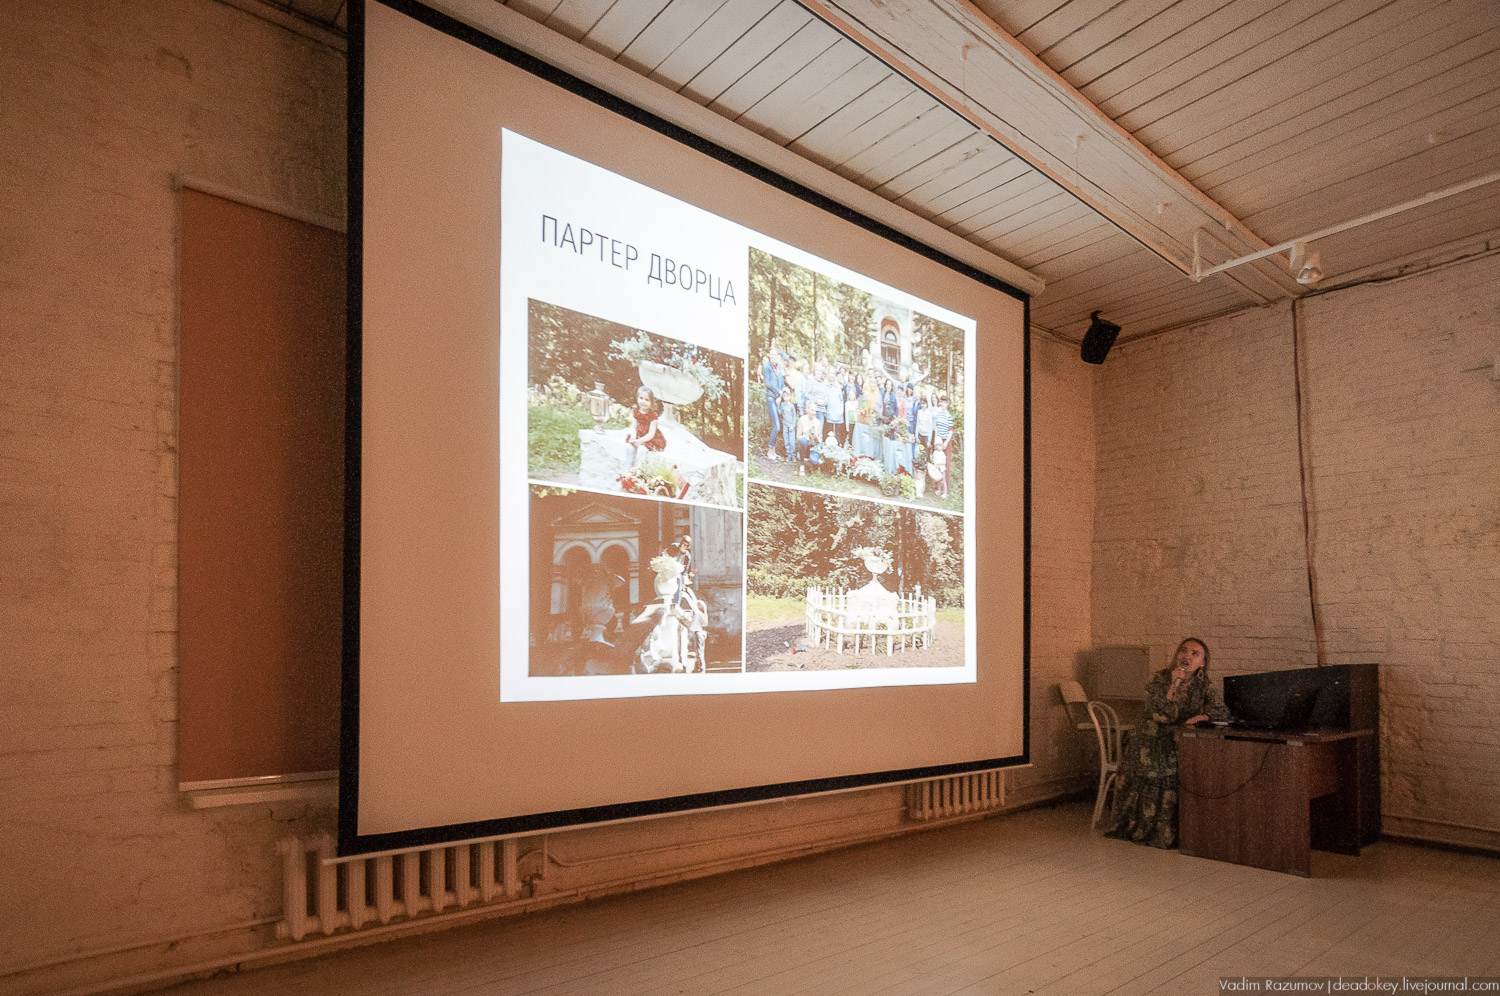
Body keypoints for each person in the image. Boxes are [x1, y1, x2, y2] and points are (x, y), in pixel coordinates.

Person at [1106, 637, 1230, 849]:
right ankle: (1150, 832)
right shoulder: (1160, 679)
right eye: (1183, 651)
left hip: (1176, 741)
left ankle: (1186, 832)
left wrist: (1200, 717)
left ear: (1202, 663)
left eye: (1194, 653)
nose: (1187, 656)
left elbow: (1222, 711)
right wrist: (1174, 684)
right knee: (1167, 769)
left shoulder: (1203, 685)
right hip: (1149, 741)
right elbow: (1162, 714)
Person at [624, 386, 665, 466]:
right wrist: (633, 436)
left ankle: (638, 473)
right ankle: (627, 471)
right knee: (629, 448)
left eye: (647, 400)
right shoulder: (636, 412)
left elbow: (651, 433)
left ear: (651, 402)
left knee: (641, 450)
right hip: (638, 435)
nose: (643, 401)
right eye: (641, 398)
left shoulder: (653, 416)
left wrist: (641, 440)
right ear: (637, 398)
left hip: (648, 438)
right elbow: (633, 427)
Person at [761, 353, 784, 461]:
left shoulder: (779, 367)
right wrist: (777, 393)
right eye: (773, 357)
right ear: (770, 357)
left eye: (776, 356)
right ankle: (769, 451)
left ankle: (774, 452)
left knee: (776, 426)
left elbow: (782, 382)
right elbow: (768, 383)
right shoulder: (766, 367)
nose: (775, 358)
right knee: (777, 426)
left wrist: (781, 395)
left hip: (778, 398)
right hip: (771, 397)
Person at [795, 401, 820, 477]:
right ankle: (802, 464)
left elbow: (820, 440)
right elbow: (798, 437)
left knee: (814, 461)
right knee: (803, 441)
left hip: (813, 445)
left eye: (815, 411)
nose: (814, 412)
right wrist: (805, 437)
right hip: (804, 443)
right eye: (812, 410)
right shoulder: (802, 420)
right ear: (807, 409)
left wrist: (815, 436)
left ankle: (812, 461)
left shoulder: (818, 422)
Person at [777, 386, 797, 465]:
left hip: (791, 425)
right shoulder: (782, 405)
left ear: (790, 397)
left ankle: (793, 455)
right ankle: (788, 455)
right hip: (785, 425)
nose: (786, 398)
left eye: (787, 396)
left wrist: (793, 424)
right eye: (784, 396)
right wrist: (778, 405)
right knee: (786, 440)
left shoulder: (792, 406)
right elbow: (779, 413)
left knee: (792, 441)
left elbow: (794, 416)